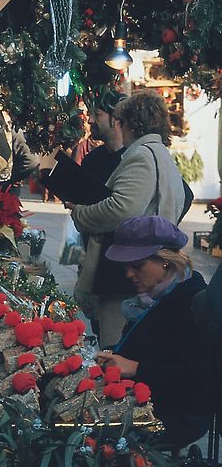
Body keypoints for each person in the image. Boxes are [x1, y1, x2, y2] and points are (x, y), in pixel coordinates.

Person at [67, 89, 185, 346]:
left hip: (127, 271)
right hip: (145, 265)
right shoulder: (158, 153)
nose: (119, 127)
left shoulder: (142, 155)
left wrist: (81, 213)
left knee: (116, 348)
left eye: (121, 121)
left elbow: (121, 208)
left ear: (131, 122)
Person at [97, 215, 211, 447]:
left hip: (177, 413)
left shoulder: (191, 302)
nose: (129, 274)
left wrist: (136, 368)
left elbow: (199, 379)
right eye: (126, 266)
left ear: (166, 262)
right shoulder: (157, 294)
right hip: (145, 396)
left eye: (137, 266)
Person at [80, 87, 126, 186]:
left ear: (115, 119)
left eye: (97, 114)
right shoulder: (92, 159)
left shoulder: (132, 161)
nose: (90, 120)